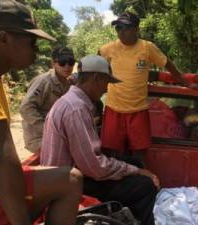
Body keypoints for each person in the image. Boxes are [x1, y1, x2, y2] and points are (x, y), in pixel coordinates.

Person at [0, 1, 83, 225]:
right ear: (3, 38)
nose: (37, 50)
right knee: (70, 181)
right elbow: (5, 155)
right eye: (32, 42)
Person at [40, 55, 160, 225]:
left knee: (133, 163)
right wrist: (137, 172)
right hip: (67, 184)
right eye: (106, 83)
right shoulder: (76, 109)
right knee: (144, 186)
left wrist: (132, 167)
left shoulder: (73, 102)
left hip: (71, 173)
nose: (106, 89)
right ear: (96, 78)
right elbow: (95, 167)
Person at [98, 12, 186, 162]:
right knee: (110, 152)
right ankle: (113, 183)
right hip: (114, 109)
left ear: (136, 29)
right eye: (118, 28)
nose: (120, 32)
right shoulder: (107, 49)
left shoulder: (147, 48)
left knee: (140, 153)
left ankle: (142, 179)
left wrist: (183, 81)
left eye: (125, 28)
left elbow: (168, 64)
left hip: (138, 110)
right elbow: (96, 70)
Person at [20, 46, 75, 153]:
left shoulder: (68, 82)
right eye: (62, 62)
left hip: (57, 134)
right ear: (53, 64)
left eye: (71, 62)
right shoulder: (44, 81)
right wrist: (47, 129)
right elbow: (25, 108)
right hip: (38, 137)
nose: (67, 66)